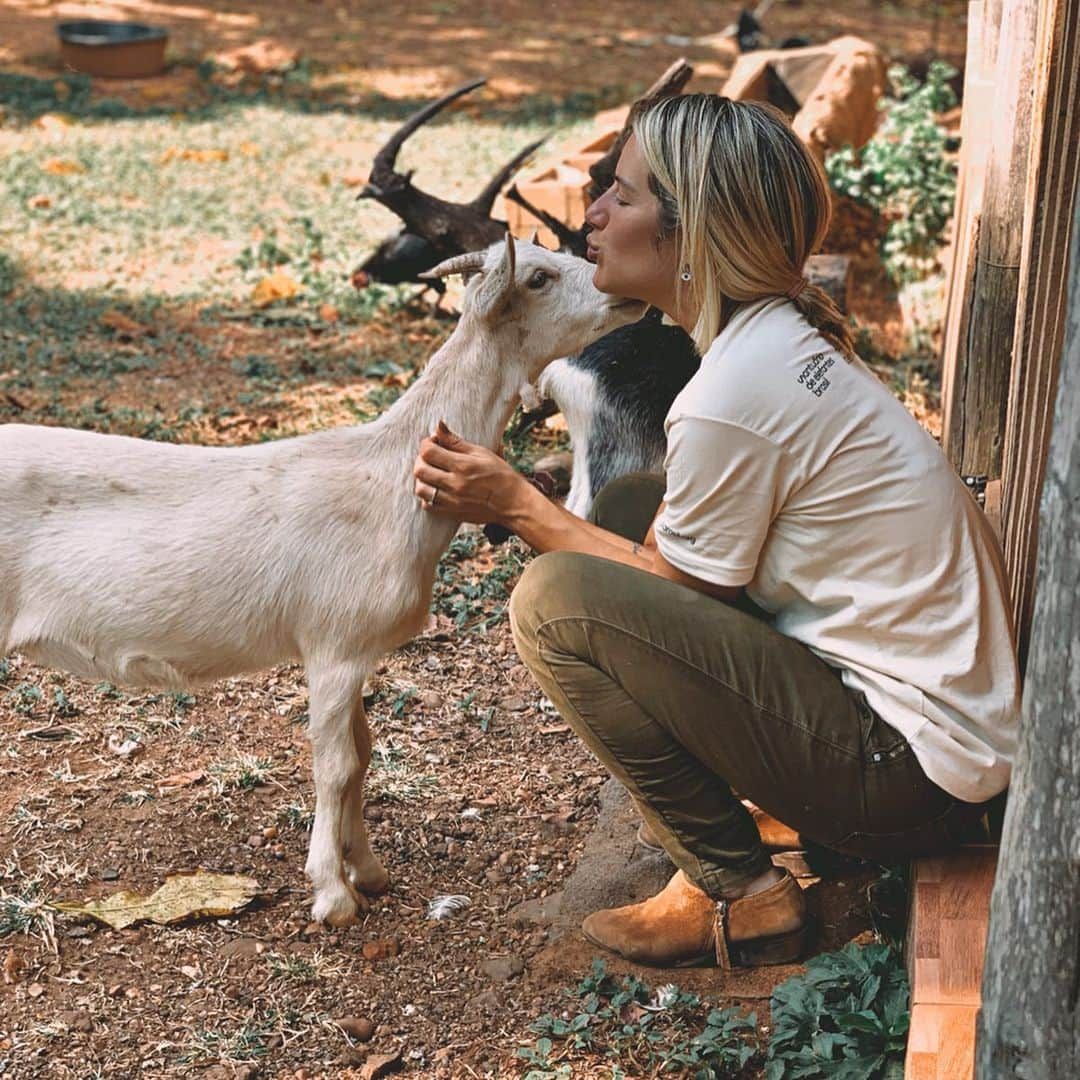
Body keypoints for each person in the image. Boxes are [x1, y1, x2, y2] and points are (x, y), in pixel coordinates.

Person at [411, 94, 1020, 969]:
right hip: (926, 739)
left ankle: (739, 890)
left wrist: (517, 505)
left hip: (913, 775)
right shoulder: (770, 345)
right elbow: (678, 573)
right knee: (631, 507)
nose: (594, 214)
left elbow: (671, 593)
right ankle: (775, 806)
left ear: (688, 231)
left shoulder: (737, 392)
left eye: (621, 196)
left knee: (552, 601)